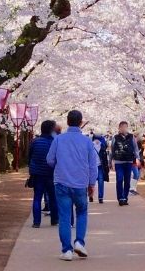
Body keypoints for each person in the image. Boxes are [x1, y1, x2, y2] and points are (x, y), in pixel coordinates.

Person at [46, 109, 98, 261]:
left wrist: (59, 163)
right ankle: (79, 242)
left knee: (64, 216)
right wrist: (92, 183)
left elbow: (49, 160)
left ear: (67, 122)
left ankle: (66, 250)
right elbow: (92, 165)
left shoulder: (58, 140)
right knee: (81, 212)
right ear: (81, 123)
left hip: (61, 181)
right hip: (80, 183)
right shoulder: (87, 141)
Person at [28, 119, 59, 229]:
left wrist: (31, 169)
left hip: (37, 173)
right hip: (51, 173)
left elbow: (30, 156)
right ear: (52, 129)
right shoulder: (55, 142)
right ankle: (54, 220)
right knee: (53, 197)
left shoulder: (35, 141)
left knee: (37, 197)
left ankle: (36, 222)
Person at [110, 121, 139, 205]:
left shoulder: (131, 137)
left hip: (129, 161)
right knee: (119, 179)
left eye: (125, 127)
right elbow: (112, 150)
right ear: (119, 128)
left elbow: (135, 148)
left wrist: (137, 158)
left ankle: (125, 197)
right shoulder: (115, 137)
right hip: (119, 161)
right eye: (122, 127)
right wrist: (111, 161)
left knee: (127, 180)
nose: (124, 128)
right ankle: (120, 198)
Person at [91, 130, 110, 204]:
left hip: (100, 166)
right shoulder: (90, 145)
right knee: (92, 182)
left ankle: (100, 197)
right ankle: (91, 195)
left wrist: (106, 166)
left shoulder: (102, 146)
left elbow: (105, 158)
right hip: (93, 166)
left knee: (100, 181)